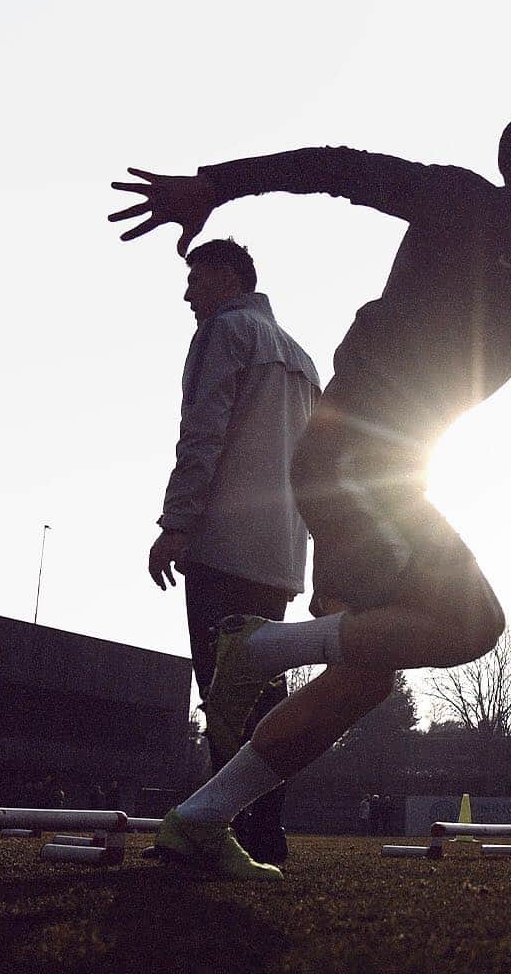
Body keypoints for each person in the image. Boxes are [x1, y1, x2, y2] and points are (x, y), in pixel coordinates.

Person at [110, 97, 511, 880]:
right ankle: (255, 646)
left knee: (365, 675)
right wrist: (214, 186)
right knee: (472, 623)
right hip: (354, 455)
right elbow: (336, 168)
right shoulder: (464, 202)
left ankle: (201, 817)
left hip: (382, 473)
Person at [147, 237, 320, 867]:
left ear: (229, 276)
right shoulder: (303, 358)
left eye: (196, 278)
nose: (188, 293)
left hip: (223, 541)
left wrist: (176, 522)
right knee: (263, 696)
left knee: (221, 695)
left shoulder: (227, 333)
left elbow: (204, 431)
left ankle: (218, 831)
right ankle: (263, 833)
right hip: (280, 553)